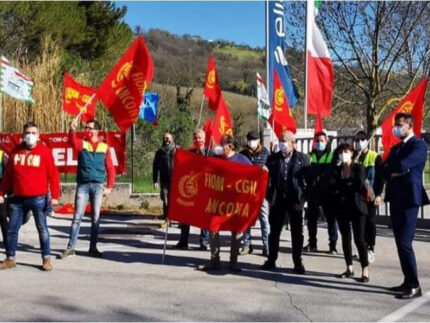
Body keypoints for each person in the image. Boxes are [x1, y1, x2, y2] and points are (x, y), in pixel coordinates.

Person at [0, 122, 60, 271]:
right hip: (17, 198)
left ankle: (46, 259)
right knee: (12, 229)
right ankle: (10, 258)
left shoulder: (45, 152)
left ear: (38, 136)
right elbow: (7, 176)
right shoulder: (15, 152)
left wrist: (55, 196)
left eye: (33, 133)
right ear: (22, 135)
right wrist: (1, 192)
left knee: (42, 229)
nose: (30, 135)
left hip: (38, 198)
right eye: (28, 132)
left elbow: (54, 176)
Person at [383, 113, 429, 299]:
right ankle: (407, 280)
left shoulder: (419, 145)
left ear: (410, 126)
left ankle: (414, 285)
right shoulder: (397, 147)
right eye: (396, 124)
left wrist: (397, 170)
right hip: (396, 196)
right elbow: (385, 168)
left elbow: (403, 164)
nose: (397, 128)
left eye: (400, 125)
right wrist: (394, 171)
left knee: (405, 241)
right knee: (399, 242)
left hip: (410, 198)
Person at [59, 119, 115, 259]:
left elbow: (111, 169)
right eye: (85, 128)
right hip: (83, 185)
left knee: (95, 218)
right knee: (77, 217)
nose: (86, 130)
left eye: (89, 128)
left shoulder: (104, 147)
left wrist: (109, 187)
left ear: (96, 131)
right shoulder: (82, 143)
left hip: (98, 186)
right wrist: (72, 129)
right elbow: (72, 141)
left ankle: (93, 248)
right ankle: (71, 248)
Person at [197, 134, 252, 272]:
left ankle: (233, 262)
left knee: (237, 231)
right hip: (218, 201)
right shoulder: (216, 159)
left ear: (230, 146)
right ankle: (214, 261)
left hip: (235, 203)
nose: (219, 147)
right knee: (213, 229)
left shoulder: (242, 160)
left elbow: (253, 175)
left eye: (222, 144)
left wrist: (262, 171)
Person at [262, 130, 310, 274]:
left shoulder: (303, 159)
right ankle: (271, 259)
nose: (281, 143)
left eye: (284, 141)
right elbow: (266, 180)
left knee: (297, 233)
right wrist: (269, 197)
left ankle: (297, 262)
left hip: (295, 200)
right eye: (280, 140)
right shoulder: (272, 159)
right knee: (274, 232)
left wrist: (302, 201)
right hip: (277, 201)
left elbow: (309, 182)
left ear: (292, 143)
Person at [326, 143, 370, 282]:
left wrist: (343, 186)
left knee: (360, 239)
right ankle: (349, 267)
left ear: (352, 153)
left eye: (346, 151)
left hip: (357, 207)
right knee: (346, 238)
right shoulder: (336, 170)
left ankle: (365, 269)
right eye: (340, 152)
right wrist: (343, 186)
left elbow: (358, 183)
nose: (343, 154)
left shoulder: (359, 168)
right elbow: (332, 186)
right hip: (342, 207)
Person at [303, 132, 338, 254]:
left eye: (322, 141)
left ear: (326, 142)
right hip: (313, 192)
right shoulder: (310, 156)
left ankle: (332, 245)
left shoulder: (331, 156)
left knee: (331, 220)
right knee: (311, 220)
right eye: (317, 141)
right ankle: (312, 243)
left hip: (327, 192)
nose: (319, 143)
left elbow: (332, 173)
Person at [174, 130, 210, 250]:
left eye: (199, 138)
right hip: (191, 190)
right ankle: (183, 241)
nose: (197, 140)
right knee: (186, 216)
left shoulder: (210, 154)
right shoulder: (189, 153)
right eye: (195, 138)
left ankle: (204, 242)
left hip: (205, 190)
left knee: (204, 217)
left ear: (204, 139)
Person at [353, 130, 384, 263]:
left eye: (362, 139)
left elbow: (380, 178)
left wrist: (378, 195)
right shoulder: (354, 156)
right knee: (360, 224)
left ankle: (370, 248)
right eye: (357, 140)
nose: (359, 142)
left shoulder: (375, 156)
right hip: (357, 196)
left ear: (366, 141)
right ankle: (362, 247)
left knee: (370, 222)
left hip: (370, 194)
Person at [239, 130, 270, 256]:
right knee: (245, 217)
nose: (251, 142)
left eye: (254, 139)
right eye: (249, 139)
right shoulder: (242, 154)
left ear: (259, 141)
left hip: (261, 192)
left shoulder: (266, 153)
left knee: (263, 218)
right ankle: (247, 244)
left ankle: (266, 244)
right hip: (246, 191)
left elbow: (271, 170)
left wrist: (266, 171)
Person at [153, 132, 176, 228]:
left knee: (175, 202)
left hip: (175, 181)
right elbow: (155, 167)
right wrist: (155, 181)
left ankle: (179, 220)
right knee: (166, 201)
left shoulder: (176, 150)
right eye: (165, 138)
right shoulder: (159, 152)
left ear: (172, 139)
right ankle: (167, 220)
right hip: (164, 181)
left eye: (168, 138)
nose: (166, 140)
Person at [0, 149, 8, 249]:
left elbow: (8, 175)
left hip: (0, 189)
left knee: (2, 216)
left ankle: (7, 242)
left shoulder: (2, 155)